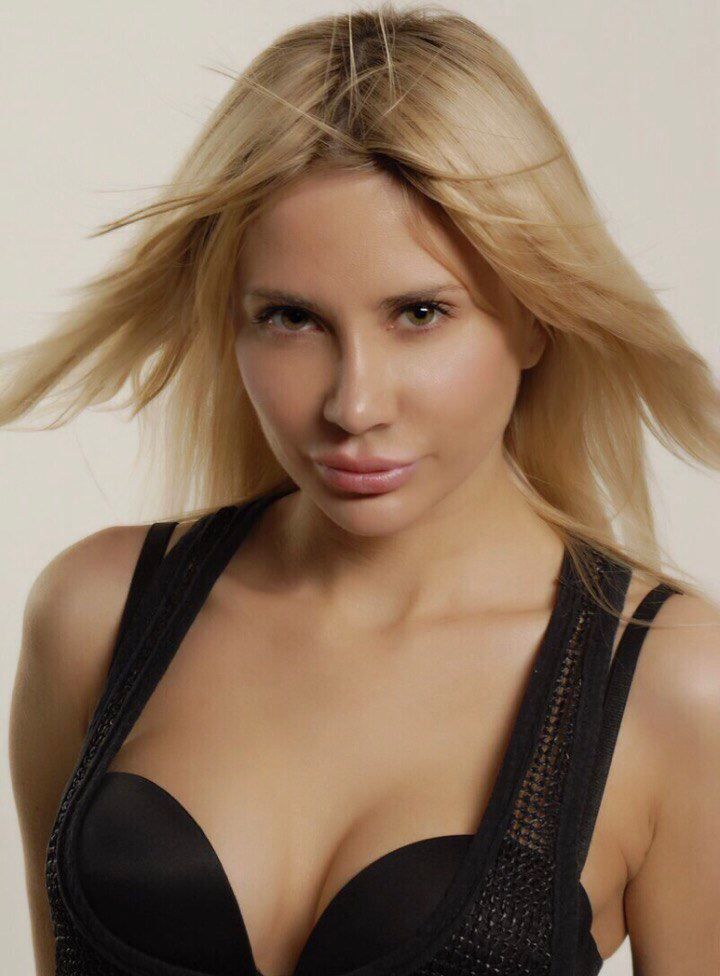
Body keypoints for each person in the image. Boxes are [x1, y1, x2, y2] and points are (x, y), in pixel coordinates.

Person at [5, 5, 719, 976]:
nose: (353, 404)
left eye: (419, 313)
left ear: (537, 316)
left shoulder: (675, 685)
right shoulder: (95, 615)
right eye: (291, 318)